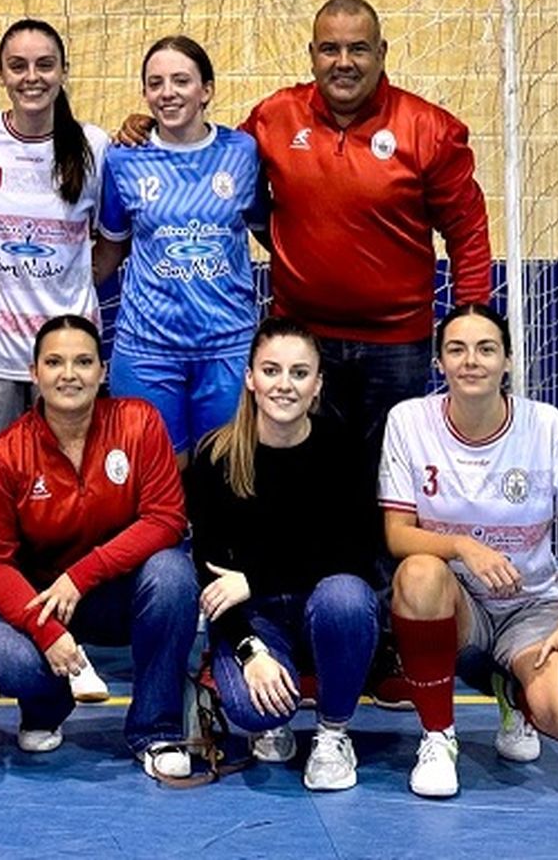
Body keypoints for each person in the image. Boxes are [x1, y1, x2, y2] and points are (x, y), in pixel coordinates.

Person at [121, 0, 491, 470]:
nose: (343, 63)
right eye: (329, 49)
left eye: (358, 49)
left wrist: (472, 318)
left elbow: (469, 232)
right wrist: (152, 129)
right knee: (300, 477)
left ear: (382, 52)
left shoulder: (429, 129)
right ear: (311, 53)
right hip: (300, 338)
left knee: (388, 478)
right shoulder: (275, 117)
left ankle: (383, 550)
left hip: (397, 346)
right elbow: (209, 158)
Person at [382, 303, 558, 798]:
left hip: (531, 608)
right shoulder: (409, 421)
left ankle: (514, 692)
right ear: (439, 362)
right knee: (419, 573)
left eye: (486, 349)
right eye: (456, 349)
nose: (471, 361)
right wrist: (465, 547)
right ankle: (439, 737)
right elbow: (397, 534)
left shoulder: (547, 427)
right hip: (456, 603)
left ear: (508, 360)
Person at [0, 18, 113, 704]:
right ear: (0, 73)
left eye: (45, 64)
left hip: (67, 361)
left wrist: (72, 309)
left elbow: (109, 244)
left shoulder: (97, 146)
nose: (32, 77)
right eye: (18, 65)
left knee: (76, 504)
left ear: (63, 70)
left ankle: (73, 648)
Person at [0, 315, 199, 782]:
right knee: (5, 655)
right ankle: (46, 707)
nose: (68, 374)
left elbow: (167, 518)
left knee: (173, 574)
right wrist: (46, 628)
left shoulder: (139, 422)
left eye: (82, 362)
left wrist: (83, 574)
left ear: (101, 371)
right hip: (42, 603)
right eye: (54, 362)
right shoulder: (3, 454)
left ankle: (157, 728)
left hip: (120, 594)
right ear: (34, 373)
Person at [185, 317, 382, 791]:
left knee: (347, 597)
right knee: (254, 710)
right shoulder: (216, 456)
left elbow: (354, 553)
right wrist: (250, 650)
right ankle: (262, 705)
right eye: (271, 371)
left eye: (299, 373)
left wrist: (255, 577)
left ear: (317, 385)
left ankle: (333, 733)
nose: (284, 385)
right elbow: (211, 574)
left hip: (322, 608)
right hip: (256, 619)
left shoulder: (344, 449)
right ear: (250, 378)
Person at [95, 35, 263, 466]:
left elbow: (273, 233)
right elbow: (110, 251)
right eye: (156, 83)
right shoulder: (122, 159)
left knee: (223, 477)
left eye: (181, 80)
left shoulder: (243, 153)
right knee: (156, 481)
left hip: (228, 346)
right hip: (149, 348)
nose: (167, 92)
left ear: (206, 89)